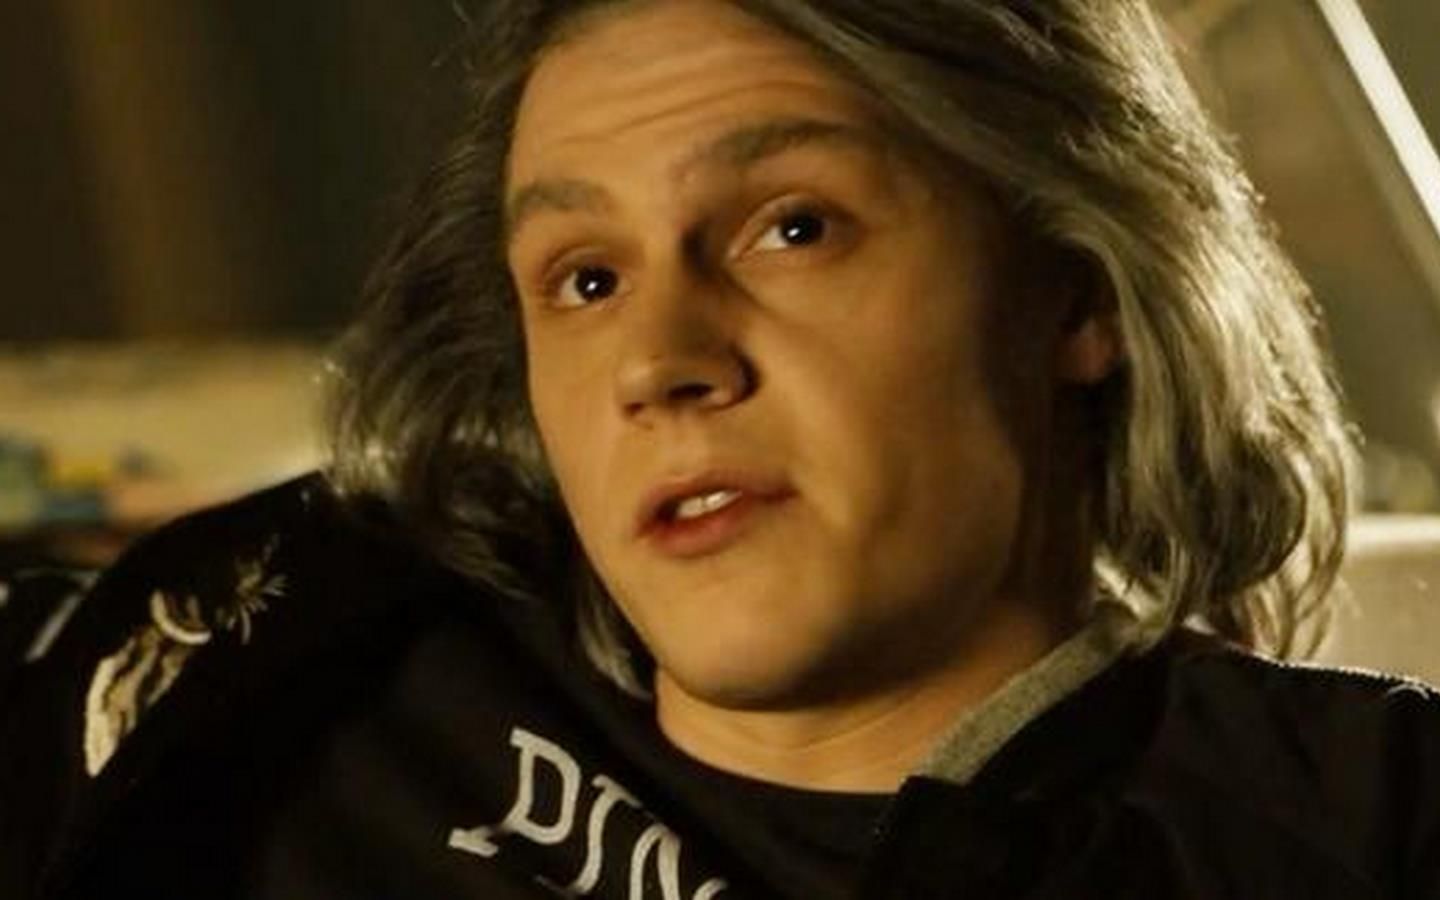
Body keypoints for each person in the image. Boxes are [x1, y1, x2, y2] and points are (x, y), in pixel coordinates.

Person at [2, 0, 1437, 897]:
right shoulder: (294, 634)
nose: (658, 363)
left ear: (1078, 292)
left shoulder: (1353, 833)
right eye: (585, 278)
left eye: (792, 228)